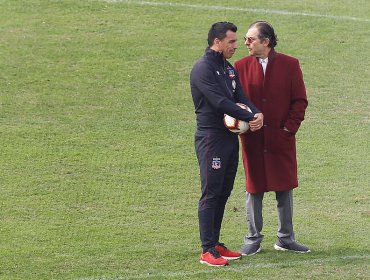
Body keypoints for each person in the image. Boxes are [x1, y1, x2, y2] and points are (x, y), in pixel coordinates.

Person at [190, 22, 264, 266]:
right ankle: (206, 249)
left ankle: (216, 243)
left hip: (229, 139)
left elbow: (240, 97)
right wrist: (249, 117)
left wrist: (257, 113)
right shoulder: (203, 69)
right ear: (217, 42)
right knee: (211, 192)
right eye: (231, 42)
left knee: (223, 191)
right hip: (211, 138)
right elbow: (220, 101)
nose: (236, 46)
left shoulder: (229, 69)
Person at [234, 20, 310, 255]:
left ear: (265, 42)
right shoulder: (239, 66)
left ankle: (286, 238)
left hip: (281, 138)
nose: (245, 43)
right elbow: (233, 100)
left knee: (284, 188)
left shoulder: (290, 64)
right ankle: (253, 238)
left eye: (250, 39)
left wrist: (288, 130)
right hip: (253, 139)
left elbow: (299, 101)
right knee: (253, 188)